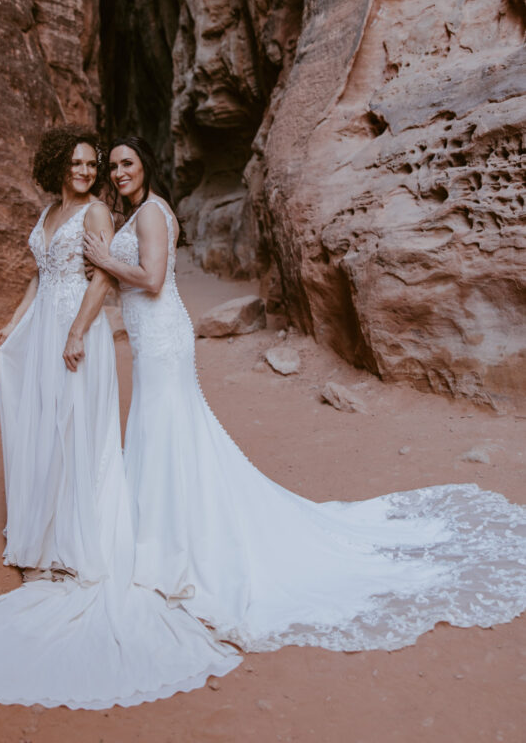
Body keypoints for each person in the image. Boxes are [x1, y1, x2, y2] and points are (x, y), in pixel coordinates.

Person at [84, 135, 526, 653]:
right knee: (167, 428)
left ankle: (171, 543)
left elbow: (153, 279)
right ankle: (166, 531)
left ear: (145, 165)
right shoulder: (139, 215)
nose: (118, 172)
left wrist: (103, 259)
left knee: (164, 425)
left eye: (127, 163)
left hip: (161, 339)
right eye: (112, 166)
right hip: (153, 337)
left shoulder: (153, 215)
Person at [0, 126, 240, 709]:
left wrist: (79, 330)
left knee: (79, 434)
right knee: (47, 431)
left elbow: (106, 277)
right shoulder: (49, 213)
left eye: (99, 164)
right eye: (83, 163)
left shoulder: (102, 217)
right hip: (44, 333)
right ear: (60, 165)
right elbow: (39, 272)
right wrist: (13, 324)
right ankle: (46, 534)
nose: (90, 172)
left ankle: (79, 546)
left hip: (76, 332)